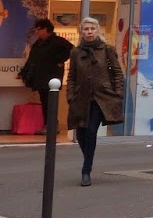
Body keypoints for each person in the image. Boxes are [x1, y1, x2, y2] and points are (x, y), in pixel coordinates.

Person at [66, 18, 123, 187]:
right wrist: (70, 96)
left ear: (97, 31)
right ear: (81, 32)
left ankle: (86, 171)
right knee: (81, 134)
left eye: (92, 28)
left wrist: (117, 93)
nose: (89, 31)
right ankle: (88, 158)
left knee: (91, 132)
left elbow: (118, 74)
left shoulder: (107, 50)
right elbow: (71, 77)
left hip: (102, 98)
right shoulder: (75, 52)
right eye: (86, 29)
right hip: (81, 98)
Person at [18, 18, 72, 114]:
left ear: (46, 29)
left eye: (39, 29)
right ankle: (47, 124)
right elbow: (32, 59)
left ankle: (52, 125)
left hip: (51, 77)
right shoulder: (38, 43)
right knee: (44, 101)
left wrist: (61, 60)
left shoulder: (58, 41)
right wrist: (23, 73)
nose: (37, 31)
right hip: (40, 77)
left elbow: (72, 50)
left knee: (50, 102)